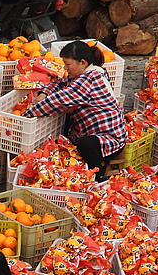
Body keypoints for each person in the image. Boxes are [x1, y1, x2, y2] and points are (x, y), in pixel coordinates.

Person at [26, 40, 126, 181]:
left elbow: (58, 101)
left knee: (85, 144)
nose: (65, 68)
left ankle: (99, 176)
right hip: (93, 130)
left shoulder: (88, 81)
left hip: (110, 139)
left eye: (68, 64)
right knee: (70, 126)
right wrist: (44, 93)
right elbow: (60, 83)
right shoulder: (89, 73)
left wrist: (27, 114)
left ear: (82, 63)